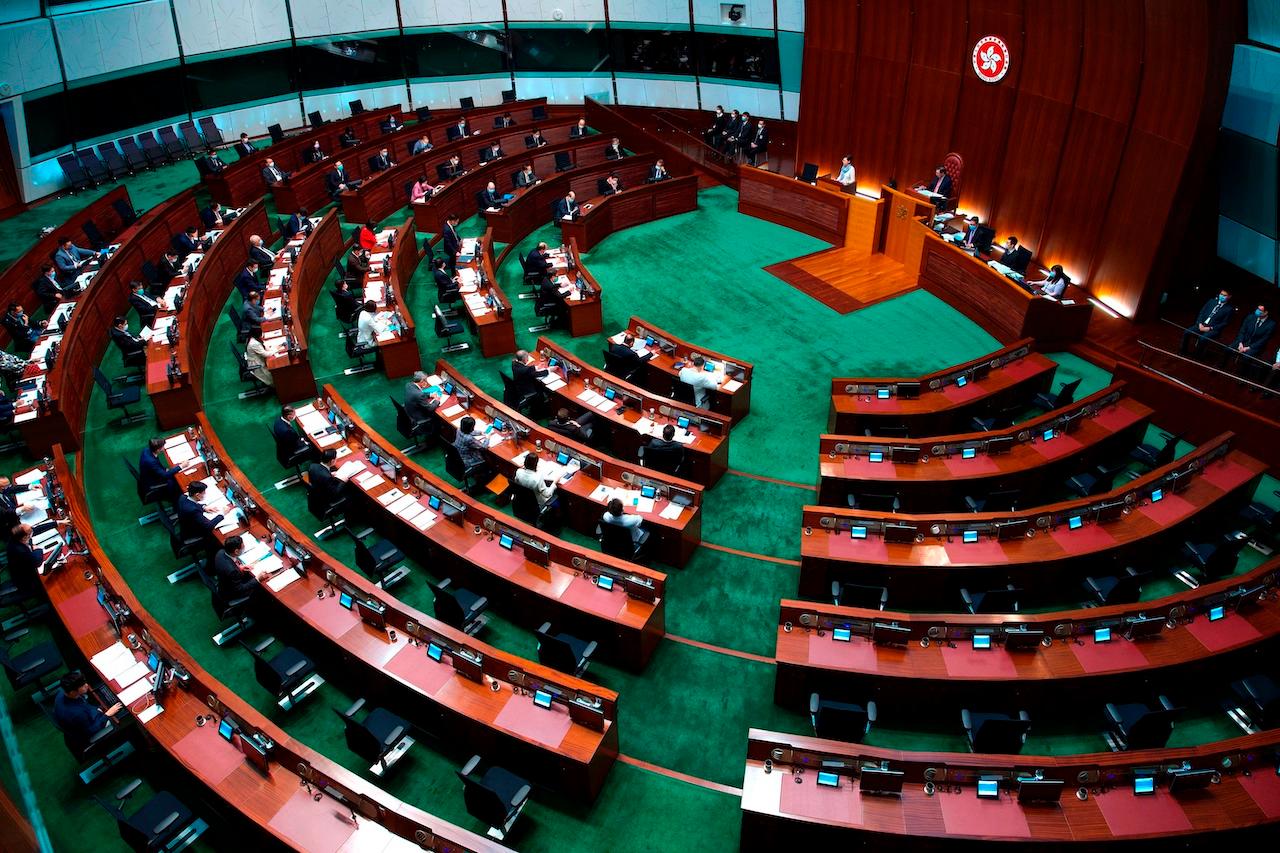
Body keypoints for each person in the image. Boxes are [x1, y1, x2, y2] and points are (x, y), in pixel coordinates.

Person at [53, 671, 122, 753]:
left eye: (84, 682)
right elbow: (92, 730)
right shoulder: (77, 714)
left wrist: (97, 709)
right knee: (120, 719)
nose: (86, 685)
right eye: (82, 685)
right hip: (86, 733)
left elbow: (83, 704)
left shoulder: (61, 694)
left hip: (82, 721)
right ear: (73, 692)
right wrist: (107, 714)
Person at [1222, 304, 1275, 372]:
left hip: (1254, 346)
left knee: (1246, 357)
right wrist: (1240, 343)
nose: (1257, 311)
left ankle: (1241, 374)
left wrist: (1248, 348)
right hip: (1242, 342)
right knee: (1228, 349)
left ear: (1266, 312)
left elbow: (1263, 340)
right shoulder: (1250, 317)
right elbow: (1242, 331)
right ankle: (1221, 367)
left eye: (1260, 310)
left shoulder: (1271, 324)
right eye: (1257, 309)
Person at [1181, 289, 1234, 357]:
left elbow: (1224, 323)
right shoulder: (1211, 301)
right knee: (1187, 332)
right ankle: (1183, 350)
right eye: (1221, 294)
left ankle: (1197, 355)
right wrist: (1199, 323)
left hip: (1213, 329)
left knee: (1203, 338)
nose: (1222, 296)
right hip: (1201, 325)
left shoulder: (1229, 309)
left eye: (1224, 295)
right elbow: (1201, 312)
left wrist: (1210, 328)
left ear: (1229, 297)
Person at [177, 480, 223, 550]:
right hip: (193, 532)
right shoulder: (193, 510)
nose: (205, 495)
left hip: (185, 527)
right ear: (197, 495)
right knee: (217, 535)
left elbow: (193, 504)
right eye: (204, 493)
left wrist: (204, 507)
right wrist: (222, 514)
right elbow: (208, 526)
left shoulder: (183, 497)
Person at [212, 535, 258, 600]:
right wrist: (258, 579)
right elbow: (240, 589)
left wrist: (239, 568)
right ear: (236, 551)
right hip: (232, 593)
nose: (244, 547)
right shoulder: (232, 571)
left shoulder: (220, 552)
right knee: (261, 587)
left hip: (224, 584)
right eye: (243, 546)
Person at [139, 436, 181, 504]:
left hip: (150, 475)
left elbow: (157, 465)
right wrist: (181, 466)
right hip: (152, 482)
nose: (164, 448)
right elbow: (165, 476)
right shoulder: (151, 461)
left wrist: (164, 469)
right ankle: (176, 501)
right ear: (158, 450)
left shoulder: (146, 450)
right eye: (163, 446)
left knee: (173, 473)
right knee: (175, 481)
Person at [452, 416, 494, 484]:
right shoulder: (469, 439)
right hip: (467, 460)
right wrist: (487, 438)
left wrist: (481, 433)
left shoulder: (459, 429)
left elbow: (470, 432)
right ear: (471, 427)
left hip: (458, 456)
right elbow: (484, 447)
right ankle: (484, 479)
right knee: (488, 460)